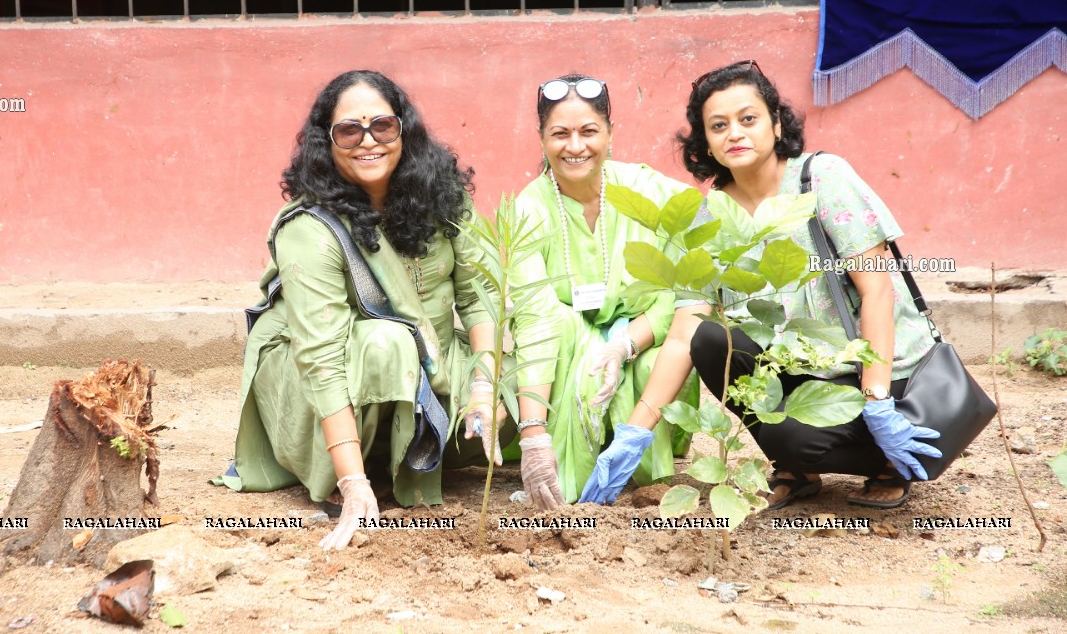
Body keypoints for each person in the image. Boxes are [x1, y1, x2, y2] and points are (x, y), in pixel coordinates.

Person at [580, 60, 941, 509]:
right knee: (710, 339)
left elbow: (878, 291)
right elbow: (681, 336)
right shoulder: (708, 219)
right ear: (706, 143)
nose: (735, 133)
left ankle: (882, 459)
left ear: (775, 123)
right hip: (800, 385)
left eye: (747, 119)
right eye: (718, 125)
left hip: (881, 378)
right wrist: (634, 433)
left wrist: (879, 400)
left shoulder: (821, 178)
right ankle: (797, 466)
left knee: (824, 436)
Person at [219, 70, 503, 550]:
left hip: (427, 361)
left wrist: (484, 385)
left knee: (527, 373)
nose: (368, 141)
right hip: (322, 375)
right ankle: (359, 466)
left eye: (382, 127)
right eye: (349, 130)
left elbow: (478, 299)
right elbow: (322, 357)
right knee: (388, 342)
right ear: (325, 143)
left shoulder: (443, 198)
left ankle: (416, 442)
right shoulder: (310, 228)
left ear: (404, 130)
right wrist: (350, 483)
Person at [506, 74, 701, 506]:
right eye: (560, 133)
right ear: (541, 139)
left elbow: (686, 289)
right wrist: (533, 435)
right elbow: (536, 319)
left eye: (588, 131)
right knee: (567, 338)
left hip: (643, 334)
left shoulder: (647, 190)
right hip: (562, 345)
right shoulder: (528, 209)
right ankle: (560, 463)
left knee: (655, 362)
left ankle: (645, 465)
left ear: (611, 133)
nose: (575, 146)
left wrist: (625, 344)